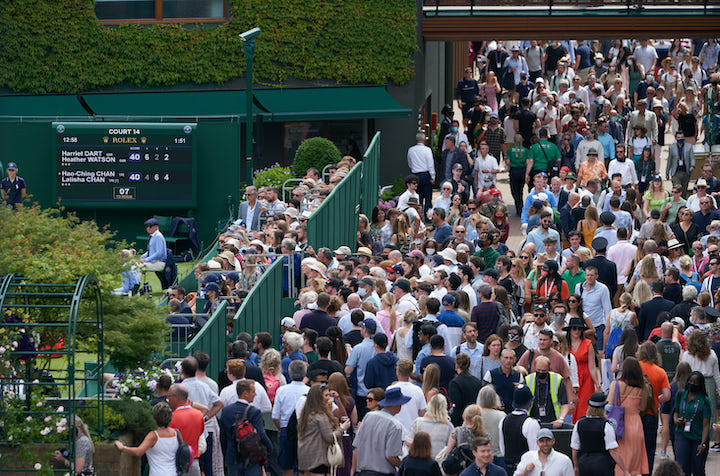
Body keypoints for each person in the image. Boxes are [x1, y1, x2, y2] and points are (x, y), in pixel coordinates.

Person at [218, 379, 273, 476]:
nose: (255, 394)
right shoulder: (254, 412)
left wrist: (226, 456)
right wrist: (269, 448)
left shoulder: (226, 411)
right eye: (253, 392)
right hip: (252, 456)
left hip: (232, 457)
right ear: (245, 394)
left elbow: (223, 437)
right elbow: (261, 434)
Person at [570, 392, 632, 476]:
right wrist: (625, 470)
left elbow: (575, 448)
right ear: (603, 408)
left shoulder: (579, 423)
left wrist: (576, 467)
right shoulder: (606, 425)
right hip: (603, 465)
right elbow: (613, 451)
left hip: (584, 464)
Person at [352, 387, 409, 476]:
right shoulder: (395, 425)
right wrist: (403, 466)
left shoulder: (368, 416)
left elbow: (357, 446)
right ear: (397, 405)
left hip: (363, 472)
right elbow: (391, 456)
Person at [298, 383, 351, 476]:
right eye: (326, 395)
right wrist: (342, 428)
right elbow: (330, 437)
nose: (328, 398)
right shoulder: (320, 416)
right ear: (318, 398)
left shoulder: (307, 413)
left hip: (307, 457)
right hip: (319, 459)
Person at [114, 402, 178, 476]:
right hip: (173, 473)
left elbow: (138, 452)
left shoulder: (153, 435)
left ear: (154, 417)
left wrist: (123, 448)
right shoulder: (176, 433)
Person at [638, 342, 671, 473]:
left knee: (635, 447)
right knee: (650, 449)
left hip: (636, 413)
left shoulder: (636, 368)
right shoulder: (660, 372)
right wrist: (657, 399)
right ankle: (647, 472)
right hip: (652, 412)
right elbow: (667, 395)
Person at [272, 360, 309, 476]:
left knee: (287, 465)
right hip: (305, 432)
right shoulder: (309, 391)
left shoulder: (282, 391)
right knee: (303, 466)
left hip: (286, 429)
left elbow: (275, 416)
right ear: (305, 373)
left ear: (289, 372)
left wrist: (280, 428)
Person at [673, 371, 712, 475]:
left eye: (695, 383)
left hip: (698, 437)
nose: (692, 384)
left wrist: (703, 443)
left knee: (698, 469)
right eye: (690, 381)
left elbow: (706, 425)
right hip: (682, 434)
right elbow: (675, 412)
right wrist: (676, 420)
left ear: (700, 385)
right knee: (682, 467)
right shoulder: (680, 395)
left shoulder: (704, 400)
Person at [498, 386, 541, 476]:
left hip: (508, 468)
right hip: (527, 470)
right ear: (529, 403)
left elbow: (502, 448)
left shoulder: (503, 420)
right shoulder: (531, 423)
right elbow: (535, 452)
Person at [566, 317, 600, 423]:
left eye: (579, 329)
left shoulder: (587, 344)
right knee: (571, 406)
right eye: (574, 328)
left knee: (584, 407)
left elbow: (592, 366)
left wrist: (597, 384)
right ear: (570, 330)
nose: (577, 331)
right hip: (571, 378)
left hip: (586, 379)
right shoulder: (565, 345)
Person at [167, 384, 204, 476]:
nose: (168, 400)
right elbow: (200, 433)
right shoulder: (199, 415)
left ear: (176, 397)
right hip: (194, 463)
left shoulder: (172, 417)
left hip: (177, 465)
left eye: (169, 397)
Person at [525, 355, 571, 428]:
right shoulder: (528, 379)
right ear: (534, 368)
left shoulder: (557, 379)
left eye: (544, 371)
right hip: (532, 421)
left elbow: (565, 403)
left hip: (553, 422)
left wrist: (561, 419)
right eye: (538, 370)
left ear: (549, 369)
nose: (541, 372)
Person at [406, 393, 454, 458]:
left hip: (420, 459)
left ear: (429, 405)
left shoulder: (418, 422)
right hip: (438, 463)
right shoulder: (448, 426)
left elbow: (408, 442)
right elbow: (450, 448)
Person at [449, 353, 483, 426]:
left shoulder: (455, 383)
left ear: (456, 366)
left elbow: (456, 406)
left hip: (461, 422)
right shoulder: (477, 382)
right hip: (475, 420)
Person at [485, 349, 523, 413]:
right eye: (506, 358)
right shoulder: (491, 374)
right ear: (501, 358)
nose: (508, 360)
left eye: (511, 358)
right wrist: (493, 405)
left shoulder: (519, 376)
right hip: (495, 413)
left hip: (512, 414)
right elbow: (483, 394)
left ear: (515, 360)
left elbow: (523, 395)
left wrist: (521, 388)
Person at [408, 132, 435, 216]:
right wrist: (433, 176)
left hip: (415, 175)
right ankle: (428, 217)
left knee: (417, 197)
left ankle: (417, 216)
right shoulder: (427, 150)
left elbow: (410, 163)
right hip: (426, 175)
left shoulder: (411, 150)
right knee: (428, 198)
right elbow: (430, 164)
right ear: (424, 140)